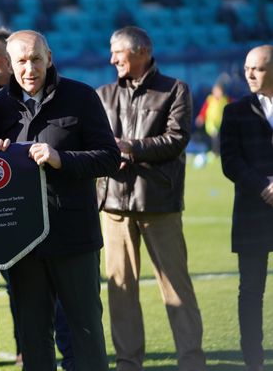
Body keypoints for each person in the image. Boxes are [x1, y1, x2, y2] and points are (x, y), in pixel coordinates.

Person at [0, 30, 118, 370]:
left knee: (87, 333)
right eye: (21, 60)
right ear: (8, 64)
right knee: (34, 339)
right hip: (22, 242)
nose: (29, 67)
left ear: (49, 58)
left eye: (36, 58)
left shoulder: (81, 96)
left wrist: (61, 158)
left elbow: (108, 157)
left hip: (74, 236)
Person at [96, 26, 207, 371]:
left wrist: (131, 147)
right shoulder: (102, 94)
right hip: (113, 204)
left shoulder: (175, 90)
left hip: (159, 202)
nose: (112, 58)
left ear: (141, 51)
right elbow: (96, 143)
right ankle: (129, 363)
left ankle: (191, 360)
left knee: (176, 287)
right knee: (120, 291)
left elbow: (177, 139)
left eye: (118, 52)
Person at [220, 45, 273, 371]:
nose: (249, 74)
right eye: (247, 68)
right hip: (253, 212)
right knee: (250, 290)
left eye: (258, 68)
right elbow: (231, 162)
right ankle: (253, 360)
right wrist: (264, 186)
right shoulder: (235, 111)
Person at [195, 82, 229, 156]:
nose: (217, 93)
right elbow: (204, 109)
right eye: (216, 91)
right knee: (215, 136)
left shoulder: (225, 100)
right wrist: (201, 117)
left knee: (221, 138)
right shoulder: (210, 99)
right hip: (211, 124)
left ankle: (219, 152)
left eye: (219, 91)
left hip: (221, 124)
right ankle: (215, 152)